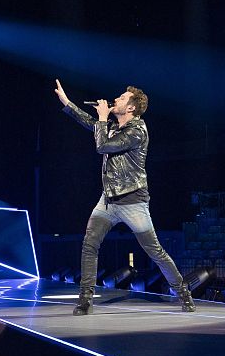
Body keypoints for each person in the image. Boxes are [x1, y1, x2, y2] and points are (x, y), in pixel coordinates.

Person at [54, 79, 196, 315]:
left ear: (131, 108)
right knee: (90, 244)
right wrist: (67, 103)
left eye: (121, 98)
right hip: (108, 201)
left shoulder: (137, 131)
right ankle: (85, 300)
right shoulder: (113, 126)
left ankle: (183, 292)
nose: (116, 99)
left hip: (133, 201)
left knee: (155, 251)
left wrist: (101, 118)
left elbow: (103, 146)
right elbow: (90, 123)